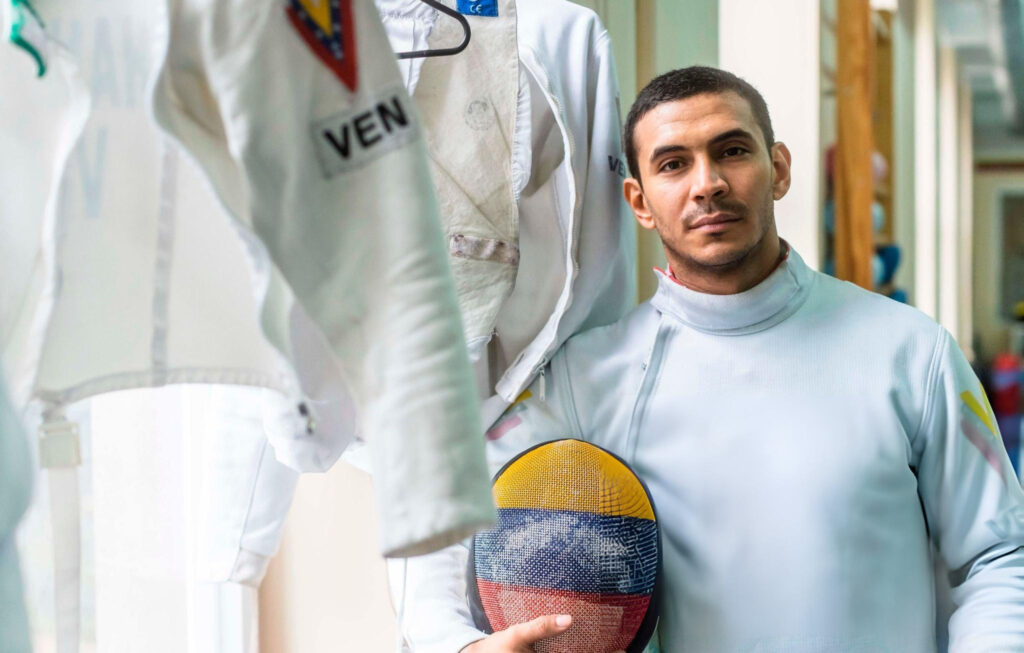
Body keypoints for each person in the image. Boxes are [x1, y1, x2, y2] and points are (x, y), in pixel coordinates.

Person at [394, 66, 1024, 653]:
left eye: (732, 151)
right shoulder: (586, 378)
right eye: (674, 164)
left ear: (778, 169)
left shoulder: (911, 351)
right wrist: (459, 643)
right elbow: (449, 511)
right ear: (640, 202)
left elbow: (999, 556)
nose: (708, 184)